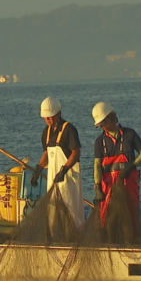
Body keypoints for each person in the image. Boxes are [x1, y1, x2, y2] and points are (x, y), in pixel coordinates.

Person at [92, 101, 141, 235]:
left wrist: (131, 167)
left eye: (105, 123)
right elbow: (97, 166)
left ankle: (133, 240)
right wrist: (98, 186)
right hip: (108, 186)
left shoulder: (130, 134)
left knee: (131, 213)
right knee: (106, 217)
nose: (104, 128)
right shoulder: (99, 142)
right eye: (101, 126)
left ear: (112, 118)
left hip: (128, 183)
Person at [30, 97, 83, 228]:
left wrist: (64, 170)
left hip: (68, 178)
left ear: (58, 113)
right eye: (45, 117)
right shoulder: (46, 132)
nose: (48, 120)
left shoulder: (68, 129)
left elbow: (76, 152)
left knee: (70, 210)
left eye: (50, 117)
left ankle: (75, 237)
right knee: (53, 210)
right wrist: (38, 170)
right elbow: (47, 153)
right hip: (53, 178)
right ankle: (56, 237)